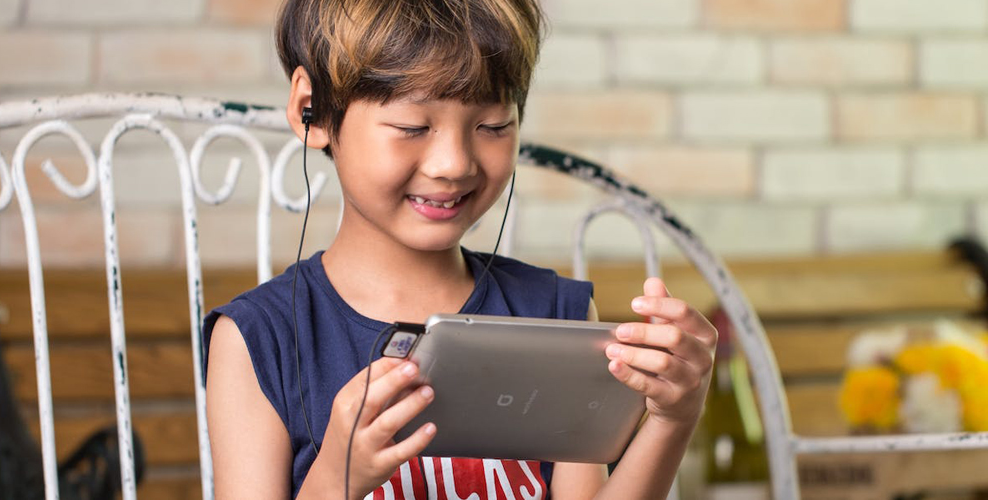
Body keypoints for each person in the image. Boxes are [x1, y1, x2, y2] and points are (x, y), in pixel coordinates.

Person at [203, 0, 718, 498]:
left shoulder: (553, 315)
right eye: (412, 127)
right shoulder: (258, 339)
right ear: (310, 110)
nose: (453, 164)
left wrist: (674, 417)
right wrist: (337, 476)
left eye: (492, 126)